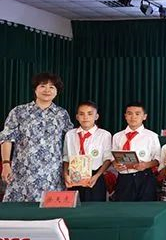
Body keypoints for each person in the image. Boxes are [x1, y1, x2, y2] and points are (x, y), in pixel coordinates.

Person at [1, 72, 73, 202]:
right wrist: (6, 164)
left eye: (52, 87)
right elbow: (6, 138)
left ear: (57, 91)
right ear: (35, 89)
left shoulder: (62, 114)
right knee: (18, 211)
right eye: (43, 86)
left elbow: (71, 141)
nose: (47, 90)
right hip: (23, 173)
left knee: (51, 210)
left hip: (52, 175)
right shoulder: (19, 111)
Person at [63, 101, 112, 202]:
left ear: (96, 116)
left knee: (94, 208)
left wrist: (97, 176)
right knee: (75, 206)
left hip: (94, 176)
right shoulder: (70, 134)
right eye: (82, 114)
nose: (85, 117)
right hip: (74, 176)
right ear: (77, 117)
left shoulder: (104, 135)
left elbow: (108, 159)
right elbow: (66, 157)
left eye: (90, 114)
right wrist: (65, 174)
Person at [112, 101, 161, 201]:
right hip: (124, 178)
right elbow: (113, 157)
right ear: (125, 116)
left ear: (144, 116)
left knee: (145, 207)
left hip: (144, 177)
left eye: (137, 114)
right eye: (129, 113)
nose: (133, 117)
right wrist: (115, 164)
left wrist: (146, 165)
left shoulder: (152, 136)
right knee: (123, 207)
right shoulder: (117, 136)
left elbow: (158, 159)